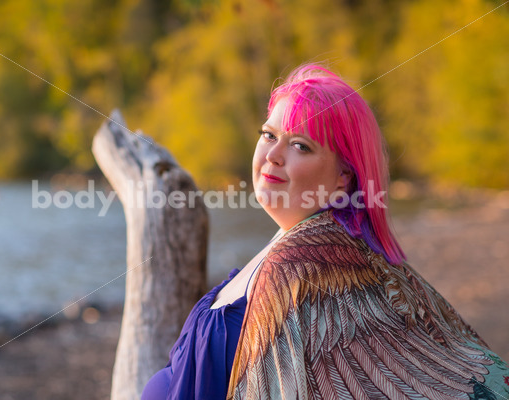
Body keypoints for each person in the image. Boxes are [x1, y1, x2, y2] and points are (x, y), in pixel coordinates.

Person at [142, 64, 509, 399]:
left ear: (342, 178)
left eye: (300, 145)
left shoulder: (310, 259)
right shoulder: (301, 243)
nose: (274, 154)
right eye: (269, 135)